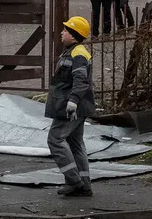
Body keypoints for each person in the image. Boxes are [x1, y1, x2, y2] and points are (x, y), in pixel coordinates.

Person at [46, 16, 95, 198]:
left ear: (74, 36)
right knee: (75, 144)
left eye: (66, 30)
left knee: (55, 140)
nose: (62, 32)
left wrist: (73, 101)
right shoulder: (72, 51)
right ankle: (84, 185)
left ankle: (74, 181)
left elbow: (81, 80)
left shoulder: (78, 54)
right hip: (75, 106)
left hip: (71, 107)